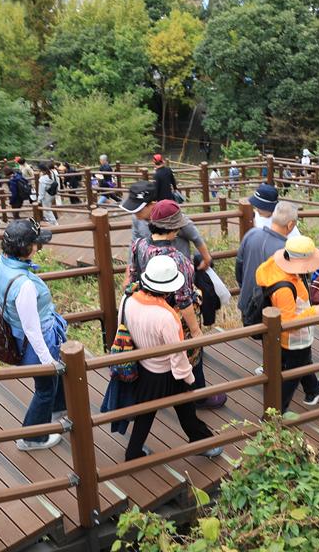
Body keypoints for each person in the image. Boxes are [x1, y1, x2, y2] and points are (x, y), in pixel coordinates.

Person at [120, 255, 222, 461]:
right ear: (168, 289)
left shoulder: (128, 299)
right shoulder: (166, 316)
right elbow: (177, 354)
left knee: (146, 414)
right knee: (185, 407)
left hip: (144, 367)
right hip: (166, 370)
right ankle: (202, 442)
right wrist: (188, 377)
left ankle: (133, 453)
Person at [126, 200, 223, 408]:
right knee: (192, 353)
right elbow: (184, 300)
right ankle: (198, 394)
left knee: (151, 354)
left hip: (146, 311)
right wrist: (197, 332)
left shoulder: (139, 246)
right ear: (173, 229)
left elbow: (133, 277)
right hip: (172, 316)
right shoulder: (178, 260)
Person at [0, 219, 69, 451]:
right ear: (27, 248)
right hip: (36, 342)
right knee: (44, 388)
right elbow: (32, 329)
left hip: (15, 333)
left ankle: (58, 406)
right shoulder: (24, 285)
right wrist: (47, 361)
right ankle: (32, 437)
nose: (38, 247)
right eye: (36, 243)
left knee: (53, 381)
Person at [255, 235, 319, 411]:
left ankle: (312, 390)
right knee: (293, 375)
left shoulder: (280, 265)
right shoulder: (284, 288)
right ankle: (275, 412)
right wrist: (315, 310)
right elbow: (289, 322)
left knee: (301, 362)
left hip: (289, 338)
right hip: (293, 339)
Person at [124, 182, 212, 271]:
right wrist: (129, 273)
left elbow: (196, 237)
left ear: (153, 204)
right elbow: (134, 244)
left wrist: (206, 259)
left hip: (179, 269)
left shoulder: (174, 218)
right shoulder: (137, 219)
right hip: (153, 273)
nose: (135, 213)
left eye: (138, 209)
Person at [237, 201, 297, 320]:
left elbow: (238, 269)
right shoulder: (286, 250)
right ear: (290, 225)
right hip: (272, 312)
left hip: (247, 304)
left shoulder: (251, 234)